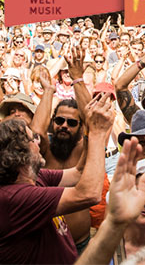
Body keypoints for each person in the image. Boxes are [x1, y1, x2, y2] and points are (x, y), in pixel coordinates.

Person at [0, 95, 114, 264]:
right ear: (20, 152)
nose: (39, 143)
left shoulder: (34, 177)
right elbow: (89, 194)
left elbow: (78, 172)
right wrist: (99, 133)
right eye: (33, 139)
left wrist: (90, 129)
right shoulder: (16, 198)